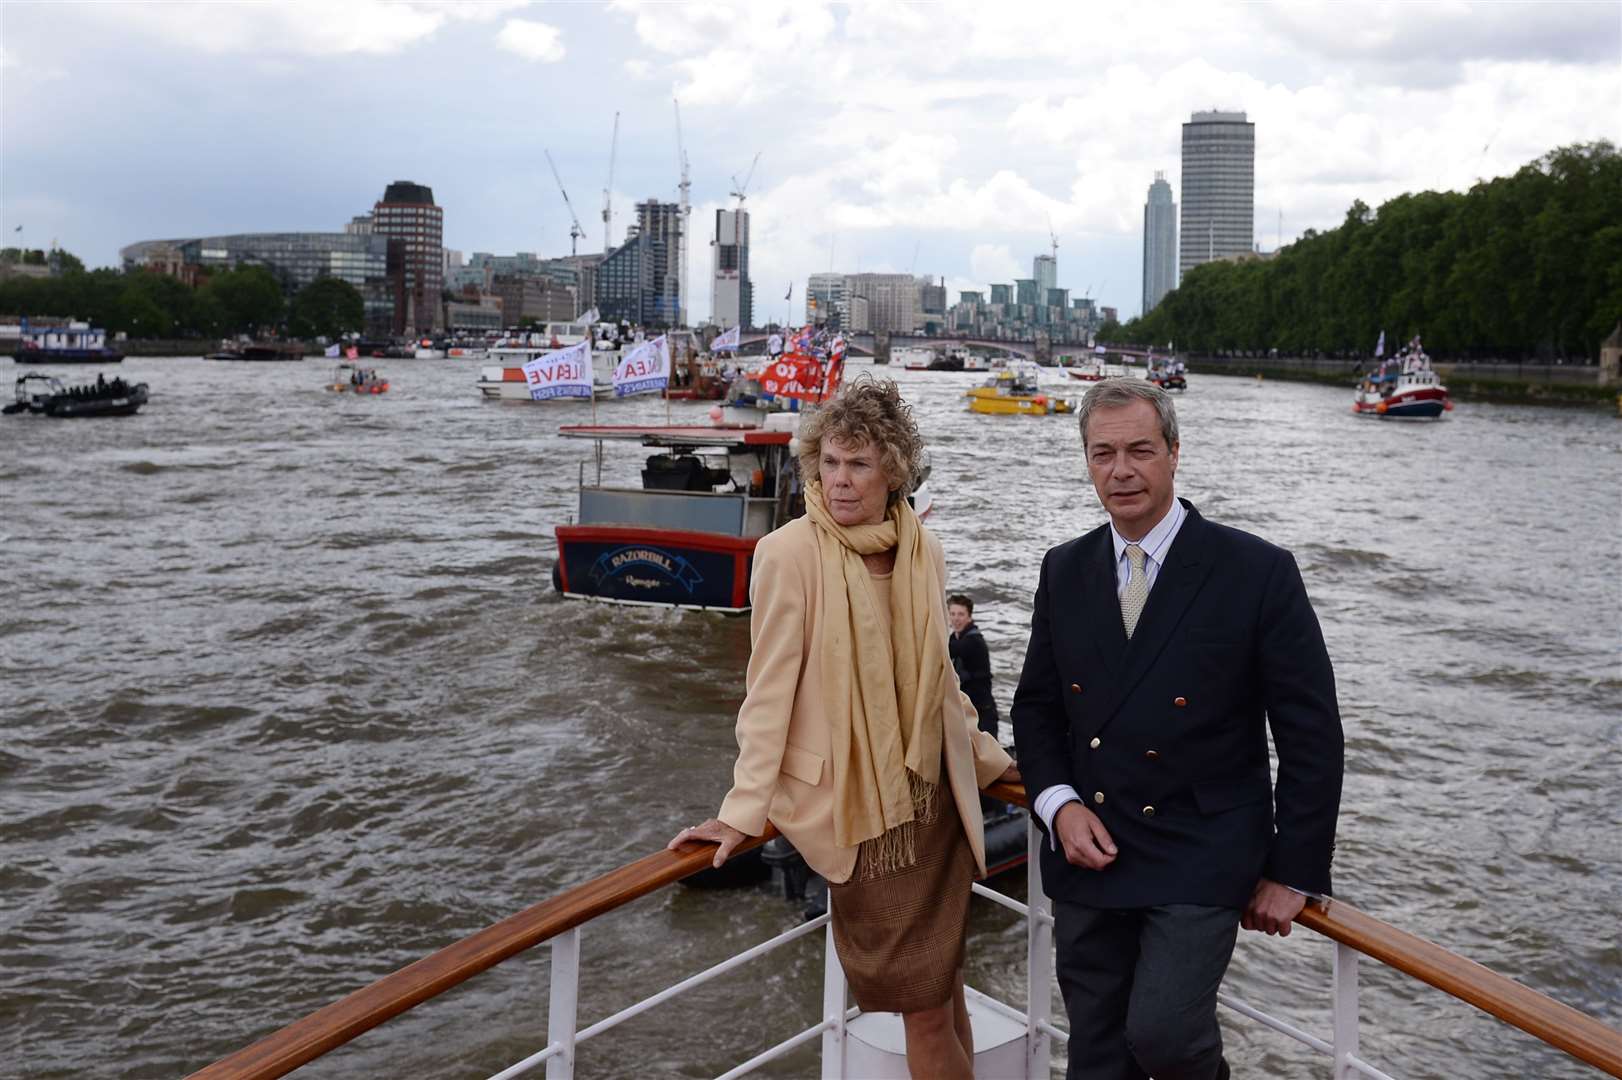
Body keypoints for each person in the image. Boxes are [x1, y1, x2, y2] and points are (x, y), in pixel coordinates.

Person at [670, 377, 1019, 1080]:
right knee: (921, 1008)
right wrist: (742, 813)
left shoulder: (923, 549)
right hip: (863, 825)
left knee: (943, 991)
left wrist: (990, 761)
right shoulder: (789, 555)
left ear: (893, 470)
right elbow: (767, 696)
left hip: (933, 810)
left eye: (858, 464)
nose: (839, 481)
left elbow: (939, 684)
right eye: (829, 462)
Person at [1011, 378, 1343, 1080]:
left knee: (1164, 1032)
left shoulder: (1257, 571)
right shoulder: (1063, 568)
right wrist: (1057, 806)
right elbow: (1037, 709)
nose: (1121, 470)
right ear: (1087, 461)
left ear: (1174, 453)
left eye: (1140, 450)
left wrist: (1295, 868)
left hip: (1203, 849)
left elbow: (1311, 733)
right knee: (1097, 1049)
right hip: (1088, 849)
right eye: (1103, 453)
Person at [946, 594, 998, 740]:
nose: (956, 618)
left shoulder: (973, 641)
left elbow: (947, 650)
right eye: (952, 614)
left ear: (969, 617)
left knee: (989, 758)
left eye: (961, 614)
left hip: (982, 711)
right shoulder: (955, 638)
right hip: (967, 710)